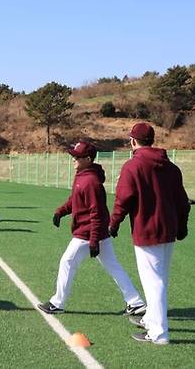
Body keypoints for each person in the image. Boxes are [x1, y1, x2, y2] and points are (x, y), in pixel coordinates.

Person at [37, 141, 146, 317]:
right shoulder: (82, 175)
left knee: (67, 262)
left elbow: (96, 213)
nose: (73, 159)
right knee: (113, 266)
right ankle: (136, 302)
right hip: (96, 233)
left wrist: (94, 240)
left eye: (76, 157)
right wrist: (60, 212)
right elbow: (75, 199)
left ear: (88, 159)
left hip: (88, 233)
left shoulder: (91, 182)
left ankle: (57, 303)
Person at [109, 123, 190, 345]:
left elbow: (123, 200)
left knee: (154, 282)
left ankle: (159, 333)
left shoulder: (132, 166)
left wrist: (113, 223)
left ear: (133, 141)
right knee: (160, 278)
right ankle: (151, 318)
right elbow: (183, 202)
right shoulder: (171, 167)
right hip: (168, 231)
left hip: (147, 232)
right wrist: (182, 226)